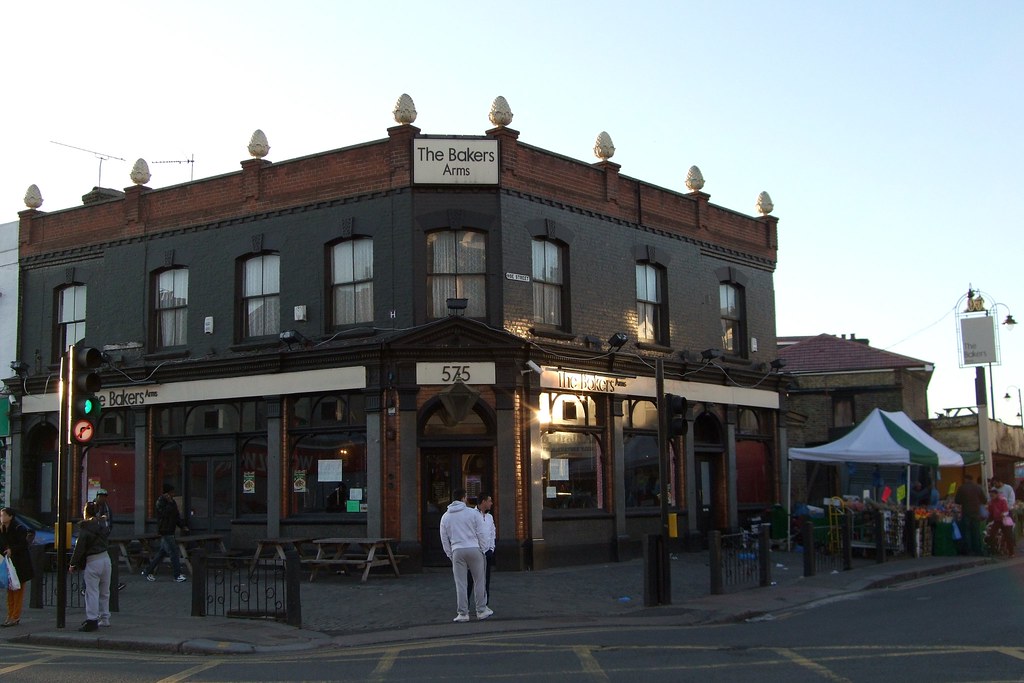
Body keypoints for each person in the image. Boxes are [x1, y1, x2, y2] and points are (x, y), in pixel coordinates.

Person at [439, 488, 492, 622]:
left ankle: (463, 614)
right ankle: (481, 610)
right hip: (474, 549)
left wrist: (450, 554)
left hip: (457, 550)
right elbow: (481, 533)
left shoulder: (445, 516)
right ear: (464, 498)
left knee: (461, 583)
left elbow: (444, 539)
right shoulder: (472, 513)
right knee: (480, 581)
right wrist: (483, 548)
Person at [69, 501, 112, 631]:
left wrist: (73, 563)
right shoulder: (103, 525)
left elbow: (79, 548)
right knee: (105, 591)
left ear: (85, 512)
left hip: (93, 561)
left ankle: (92, 620)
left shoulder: (85, 527)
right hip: (106, 558)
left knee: (92, 592)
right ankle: (105, 618)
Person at [142, 483, 189, 582]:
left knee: (162, 553)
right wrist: (169, 503)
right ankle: (177, 575)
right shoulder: (160, 502)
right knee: (174, 552)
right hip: (165, 530)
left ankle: (147, 571)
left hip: (170, 530)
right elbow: (164, 514)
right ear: (166, 493)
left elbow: (176, 516)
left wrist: (182, 526)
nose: (173, 494)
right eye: (171, 492)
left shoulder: (172, 502)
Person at [0, 507, 35, 627]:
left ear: (10, 517)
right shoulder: (3, 529)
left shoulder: (19, 528)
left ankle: (15, 616)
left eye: (4, 515)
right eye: (1, 515)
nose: (2, 518)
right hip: (9, 564)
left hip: (20, 564)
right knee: (10, 591)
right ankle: (10, 615)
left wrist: (12, 550)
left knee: (18, 591)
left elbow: (23, 544)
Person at [466, 493, 495, 606]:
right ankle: (466, 603)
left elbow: (493, 532)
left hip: (487, 553)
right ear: (483, 502)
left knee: (485, 580)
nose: (491, 503)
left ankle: (484, 604)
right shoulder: (472, 515)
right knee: (470, 579)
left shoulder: (489, 517)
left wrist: (491, 548)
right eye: (489, 501)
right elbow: (469, 533)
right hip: (475, 552)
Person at [954, 475, 987, 556]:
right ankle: (978, 549)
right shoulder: (978, 488)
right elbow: (984, 500)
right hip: (976, 512)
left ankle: (968, 550)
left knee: (966, 531)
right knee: (976, 531)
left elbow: (957, 500)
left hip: (966, 512)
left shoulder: (962, 488)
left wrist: (965, 501)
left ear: (966, 479)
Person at [985, 487, 1015, 557]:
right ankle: (993, 551)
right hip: (997, 520)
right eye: (991, 496)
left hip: (1004, 520)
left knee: (1008, 536)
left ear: (996, 494)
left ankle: (1011, 552)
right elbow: (990, 512)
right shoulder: (991, 503)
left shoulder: (1002, 501)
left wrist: (1002, 514)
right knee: (992, 534)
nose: (991, 497)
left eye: (993, 495)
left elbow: (1006, 511)